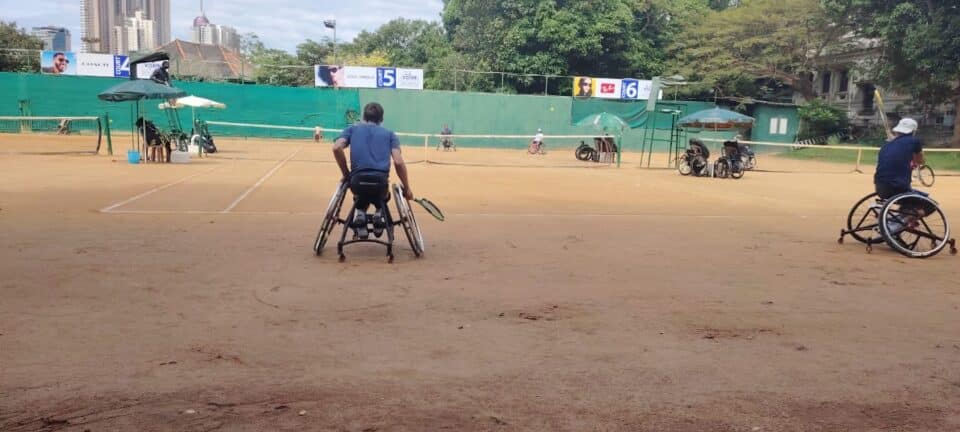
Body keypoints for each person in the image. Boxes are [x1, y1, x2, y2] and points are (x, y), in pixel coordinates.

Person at [333, 102, 414, 237]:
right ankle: (378, 213)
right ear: (381, 120)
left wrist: (346, 174)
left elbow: (336, 147)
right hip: (380, 184)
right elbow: (398, 162)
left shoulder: (352, 129)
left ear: (364, 117)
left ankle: (360, 214)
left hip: (357, 182)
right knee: (383, 195)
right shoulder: (390, 134)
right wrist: (407, 188)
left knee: (360, 195)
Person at [874, 118, 931, 231]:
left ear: (898, 130)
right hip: (898, 188)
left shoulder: (886, 145)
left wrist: (910, 163)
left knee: (910, 200)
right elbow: (920, 161)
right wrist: (916, 162)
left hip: (880, 188)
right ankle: (898, 223)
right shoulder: (914, 141)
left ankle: (901, 218)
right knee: (930, 204)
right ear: (913, 131)